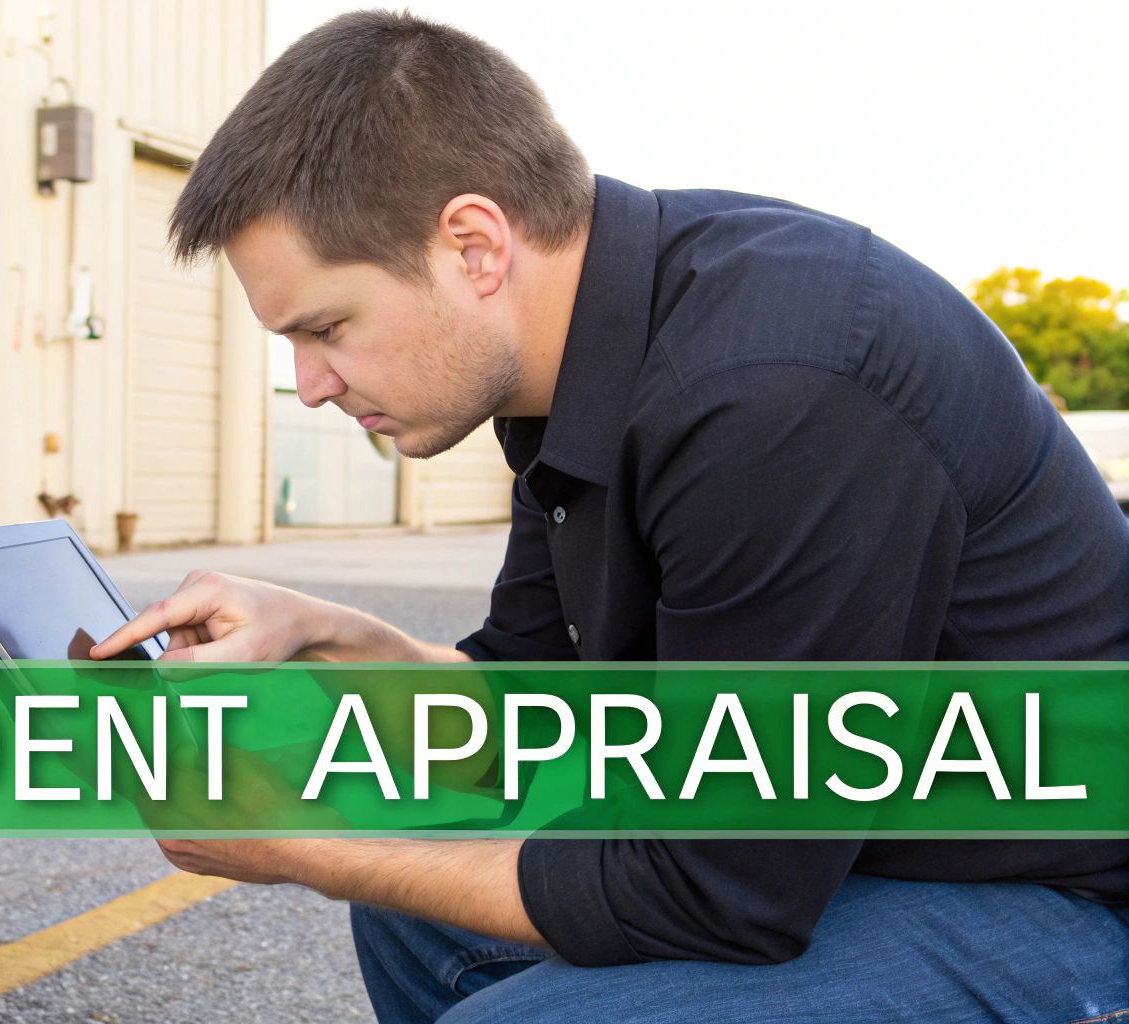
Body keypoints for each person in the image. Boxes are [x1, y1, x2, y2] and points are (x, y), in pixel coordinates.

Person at [88, 10, 1129, 1023]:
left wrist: (298, 845)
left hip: (1060, 891)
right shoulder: (566, 372)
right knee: (413, 915)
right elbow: (523, 720)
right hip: (848, 843)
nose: (308, 384)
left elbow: (723, 890)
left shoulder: (771, 392)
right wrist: (323, 633)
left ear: (473, 246)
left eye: (325, 327)